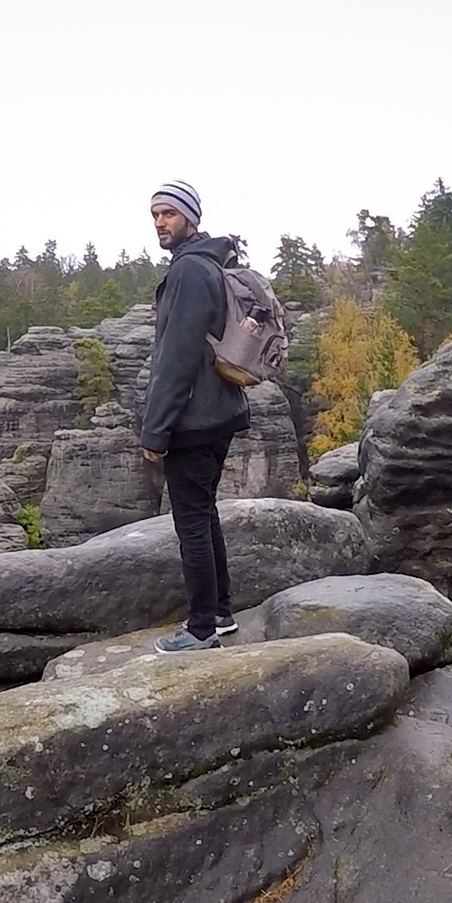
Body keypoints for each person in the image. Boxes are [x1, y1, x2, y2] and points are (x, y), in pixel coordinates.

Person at [141, 180, 250, 653]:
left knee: (191, 522)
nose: (160, 223)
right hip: (219, 411)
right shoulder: (210, 263)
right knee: (204, 514)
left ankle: (202, 627)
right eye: (155, 216)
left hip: (194, 419)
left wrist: (155, 431)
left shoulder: (188, 271)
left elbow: (176, 358)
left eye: (168, 213)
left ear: (190, 217)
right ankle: (221, 612)